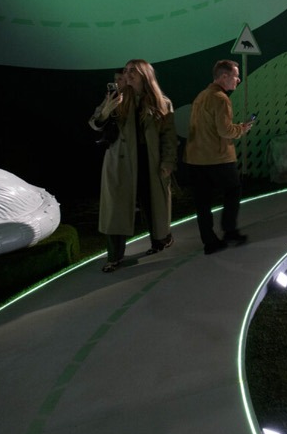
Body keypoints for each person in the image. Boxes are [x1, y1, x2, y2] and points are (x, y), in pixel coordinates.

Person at [88, 59, 177, 273]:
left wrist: (168, 162)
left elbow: (169, 136)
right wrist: (107, 110)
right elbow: (95, 123)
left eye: (132, 72)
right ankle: (114, 257)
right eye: (126, 71)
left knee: (153, 205)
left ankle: (160, 240)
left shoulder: (162, 102)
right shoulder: (117, 98)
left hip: (150, 162)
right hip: (121, 164)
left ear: (145, 75)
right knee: (116, 210)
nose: (127, 75)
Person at [185, 59, 254, 254]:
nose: (238, 80)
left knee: (203, 202)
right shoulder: (221, 98)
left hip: (195, 159)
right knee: (233, 190)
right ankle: (229, 231)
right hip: (218, 158)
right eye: (235, 76)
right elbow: (225, 130)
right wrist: (241, 129)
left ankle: (210, 242)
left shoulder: (201, 96)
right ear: (224, 77)